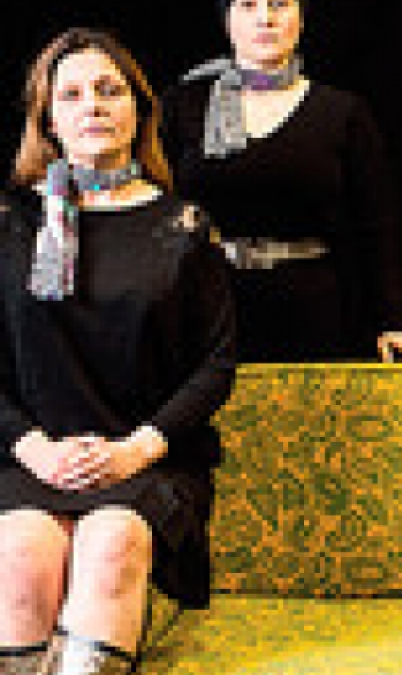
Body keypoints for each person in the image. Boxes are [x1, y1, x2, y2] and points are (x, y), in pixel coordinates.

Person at [0, 28, 236, 674]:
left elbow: (216, 364)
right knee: (20, 552)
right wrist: (35, 449)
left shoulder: (184, 225)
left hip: (148, 461)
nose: (93, 106)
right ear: (48, 120)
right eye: (72, 94)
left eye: (110, 90)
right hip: (30, 457)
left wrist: (133, 449)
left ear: (139, 109)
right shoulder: (11, 223)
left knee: (109, 542)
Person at [163, 0, 402, 363]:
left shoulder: (341, 113)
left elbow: (376, 229)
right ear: (227, 21)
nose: (266, 19)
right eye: (248, 5)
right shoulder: (184, 104)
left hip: (312, 311)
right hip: (206, 307)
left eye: (279, 5)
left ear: (301, 19)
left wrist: (393, 322)